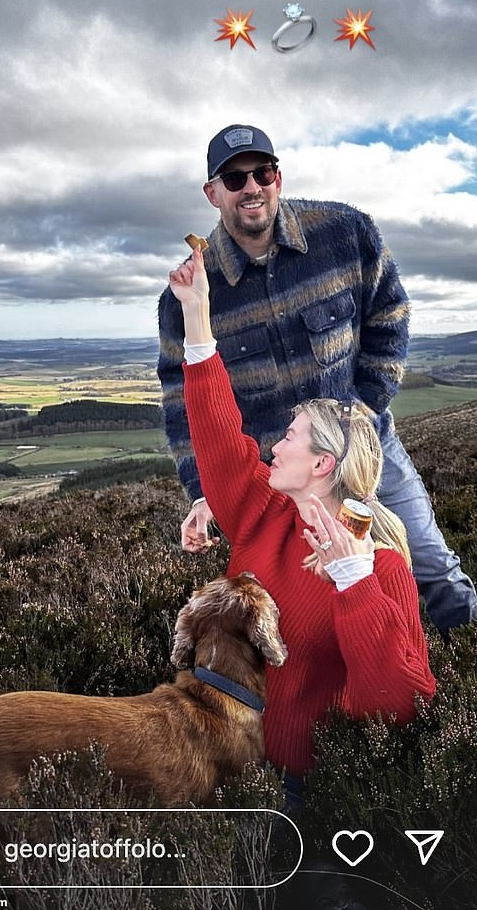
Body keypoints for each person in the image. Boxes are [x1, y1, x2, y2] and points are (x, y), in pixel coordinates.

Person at [158, 123, 477, 632]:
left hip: (366, 456)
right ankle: (351, 713)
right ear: (212, 193)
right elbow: (183, 405)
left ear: (278, 177)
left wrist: (361, 415)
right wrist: (202, 491)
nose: (252, 188)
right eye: (235, 179)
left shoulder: (346, 233)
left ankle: (460, 685)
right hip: (280, 483)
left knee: (433, 571)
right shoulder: (192, 291)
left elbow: (389, 317)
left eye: (262, 172)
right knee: (302, 616)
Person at [168, 242, 436, 790]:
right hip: (232, 763)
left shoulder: (379, 569)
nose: (272, 450)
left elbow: (400, 705)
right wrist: (197, 312)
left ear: (321, 463)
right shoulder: (266, 515)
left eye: (288, 438)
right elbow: (219, 438)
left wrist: (353, 583)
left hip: (310, 790)